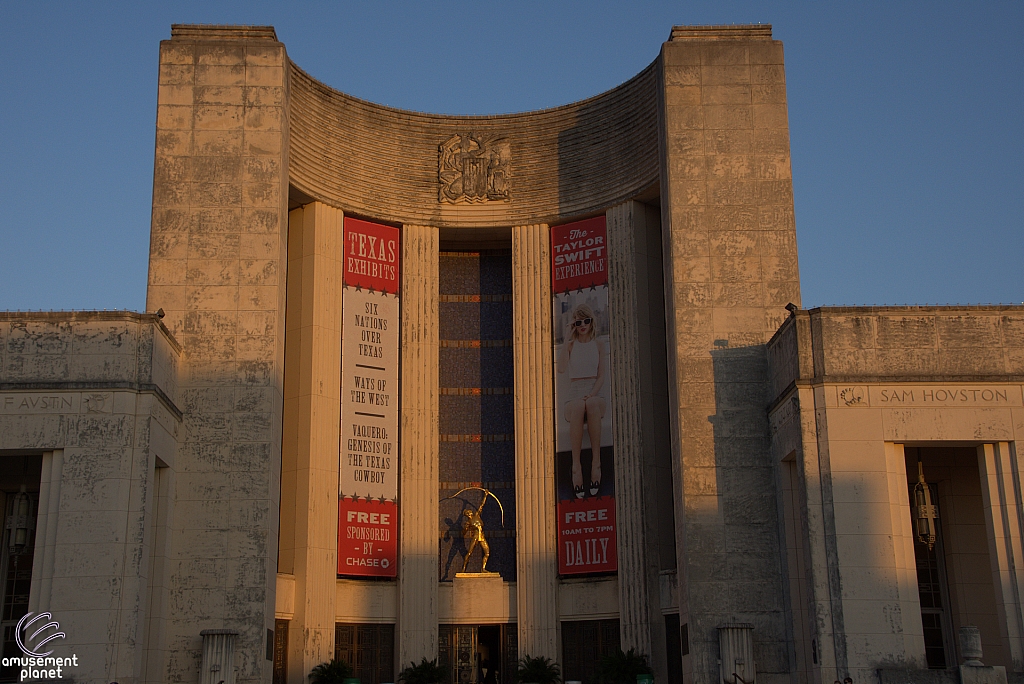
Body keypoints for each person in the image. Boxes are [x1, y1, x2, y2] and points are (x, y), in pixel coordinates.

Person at [556, 304, 607, 498]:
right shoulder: (570, 345)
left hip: (594, 392)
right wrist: (567, 337)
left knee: (591, 404)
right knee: (578, 405)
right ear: (574, 324)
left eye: (586, 320)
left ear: (592, 321)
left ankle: (596, 463)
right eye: (579, 322)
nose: (583, 325)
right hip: (574, 393)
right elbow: (561, 369)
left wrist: (592, 393)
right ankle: (575, 466)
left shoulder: (599, 344)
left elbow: (601, 376)